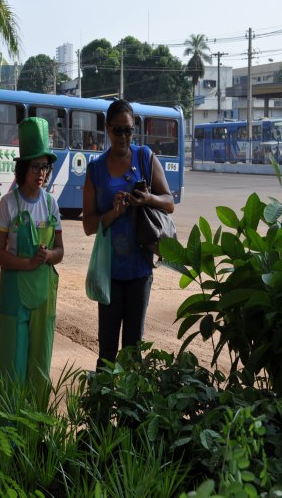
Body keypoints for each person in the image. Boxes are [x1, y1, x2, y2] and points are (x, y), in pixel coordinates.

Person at [82, 99, 174, 368]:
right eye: (117, 130)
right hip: (109, 271)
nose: (123, 136)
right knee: (107, 350)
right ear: (107, 130)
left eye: (128, 130)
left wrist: (146, 199)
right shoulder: (95, 170)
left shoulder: (145, 157)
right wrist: (113, 213)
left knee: (133, 350)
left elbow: (169, 202)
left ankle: (128, 409)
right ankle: (100, 410)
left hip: (140, 270)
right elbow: (88, 225)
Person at [0, 117, 64, 405]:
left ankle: (34, 440)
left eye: (44, 167)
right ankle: (8, 442)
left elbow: (61, 250)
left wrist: (48, 257)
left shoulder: (51, 204)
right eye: (35, 166)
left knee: (39, 368)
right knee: (12, 368)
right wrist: (28, 263)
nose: (41, 173)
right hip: (13, 299)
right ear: (23, 168)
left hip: (43, 299)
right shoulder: (8, 204)